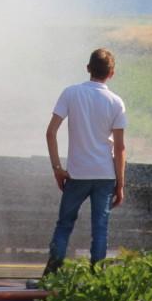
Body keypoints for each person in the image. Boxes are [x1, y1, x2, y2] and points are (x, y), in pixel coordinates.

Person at [42, 48, 127, 274]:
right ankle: (96, 276)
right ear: (112, 73)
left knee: (65, 224)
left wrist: (57, 168)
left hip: (77, 173)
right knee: (100, 229)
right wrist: (120, 183)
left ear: (88, 68)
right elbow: (119, 147)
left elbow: (50, 133)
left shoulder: (71, 93)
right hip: (104, 175)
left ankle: (52, 273)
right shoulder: (116, 102)